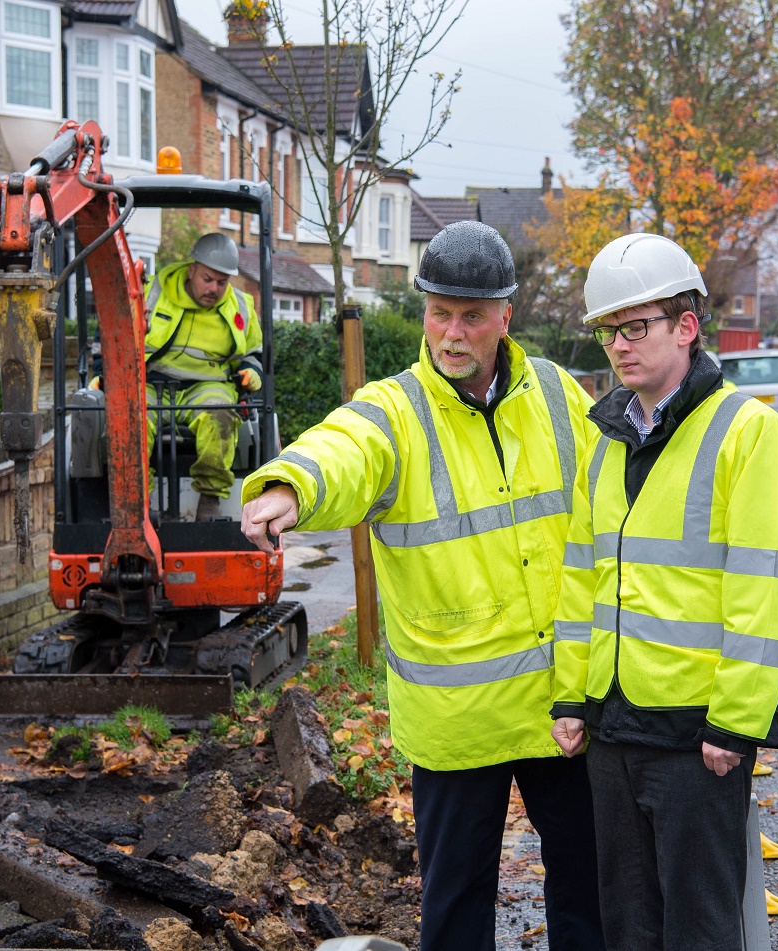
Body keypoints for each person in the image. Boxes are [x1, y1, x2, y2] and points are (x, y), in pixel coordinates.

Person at [240, 221, 605, 951]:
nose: (452, 332)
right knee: (456, 907)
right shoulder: (396, 410)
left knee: (589, 892)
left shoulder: (560, 397)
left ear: (507, 316)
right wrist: (290, 484)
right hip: (457, 720)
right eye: (440, 312)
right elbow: (343, 446)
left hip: (562, 703)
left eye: (472, 315)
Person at [551, 233, 778, 950]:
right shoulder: (606, 440)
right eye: (608, 330)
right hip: (612, 727)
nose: (619, 346)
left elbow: (767, 589)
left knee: (699, 928)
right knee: (627, 925)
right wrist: (571, 695)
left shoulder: (748, 433)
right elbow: (584, 578)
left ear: (686, 326)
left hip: (698, 740)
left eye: (636, 327)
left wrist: (735, 723)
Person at [141, 232, 262, 520]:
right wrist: (100, 374)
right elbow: (112, 335)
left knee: (220, 415)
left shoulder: (242, 307)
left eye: (222, 282)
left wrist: (251, 371)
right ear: (191, 269)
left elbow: (254, 353)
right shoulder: (151, 293)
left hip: (207, 385)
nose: (215, 289)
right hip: (148, 382)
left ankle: (209, 501)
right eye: (208, 279)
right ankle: (136, 502)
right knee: (130, 419)